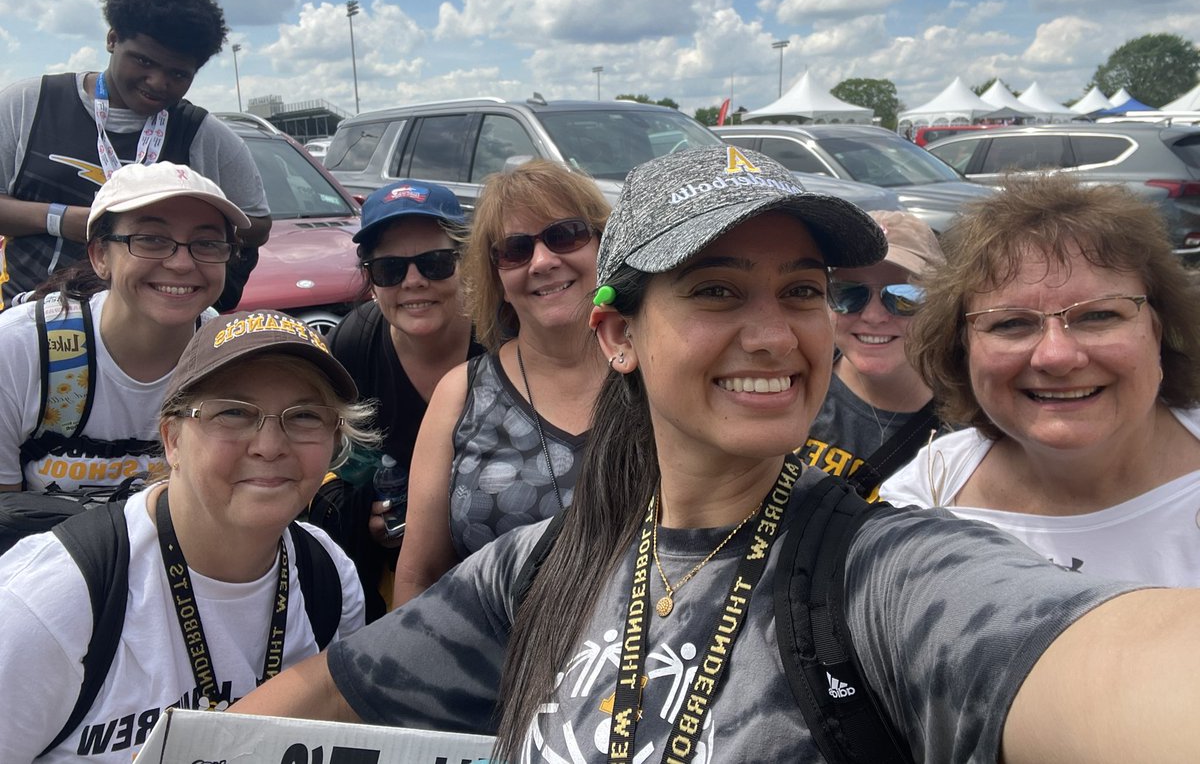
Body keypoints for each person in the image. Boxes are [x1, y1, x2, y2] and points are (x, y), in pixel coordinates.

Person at [231, 147, 1200, 763]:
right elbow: (296, 707)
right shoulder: (544, 569)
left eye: (803, 290)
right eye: (717, 291)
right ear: (621, 338)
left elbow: (1115, 673)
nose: (776, 333)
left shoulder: (888, 576)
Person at [0, 308, 374, 762]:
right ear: (173, 439)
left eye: (304, 416)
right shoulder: (53, 601)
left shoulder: (329, 577)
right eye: (234, 413)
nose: (270, 445)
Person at [880, 175, 1200, 585]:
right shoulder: (924, 500)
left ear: (1157, 331)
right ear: (962, 351)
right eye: (1011, 323)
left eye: (1099, 315)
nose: (1057, 356)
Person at [391, 160, 609, 606]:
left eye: (565, 235)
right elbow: (419, 576)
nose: (544, 261)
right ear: (498, 278)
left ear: (605, 245)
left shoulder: (657, 372)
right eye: (515, 249)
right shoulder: (461, 395)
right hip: (495, 669)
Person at [0, 0, 270, 309]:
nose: (158, 82)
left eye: (178, 74)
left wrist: (168, 235)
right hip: (38, 323)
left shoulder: (204, 134)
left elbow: (257, 225)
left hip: (153, 332)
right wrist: (64, 220)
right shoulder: (28, 104)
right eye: (143, 60)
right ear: (112, 39)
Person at [0, 161, 249, 495]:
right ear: (100, 255)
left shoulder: (230, 358)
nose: (181, 263)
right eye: (150, 239)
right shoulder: (19, 350)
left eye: (206, 243)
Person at [318, 179, 484, 621]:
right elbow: (317, 463)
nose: (413, 282)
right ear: (370, 278)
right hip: (388, 582)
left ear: (467, 264)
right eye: (390, 269)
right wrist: (361, 515)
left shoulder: (504, 340)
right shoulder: (353, 346)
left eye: (435, 263)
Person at [797, 210, 945, 500]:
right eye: (849, 293)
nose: (874, 316)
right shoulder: (791, 384)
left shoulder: (970, 423)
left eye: (905, 296)